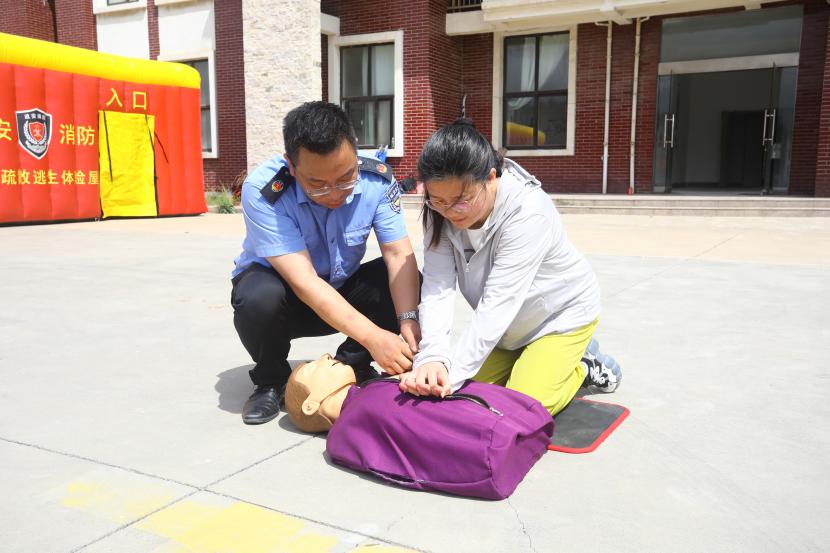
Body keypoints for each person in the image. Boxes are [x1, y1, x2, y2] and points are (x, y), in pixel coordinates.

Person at [399, 119, 621, 416]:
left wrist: (449, 375)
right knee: (463, 400)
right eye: (437, 201)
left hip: (557, 318)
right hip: (507, 330)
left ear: (490, 178)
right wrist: (432, 358)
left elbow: (498, 304)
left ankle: (583, 366)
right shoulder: (437, 212)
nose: (449, 212)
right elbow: (438, 286)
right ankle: (532, 361)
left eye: (460, 201)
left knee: (521, 408)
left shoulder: (529, 212)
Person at [231, 101, 421, 425]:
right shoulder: (264, 192)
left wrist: (408, 321)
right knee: (258, 297)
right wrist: (375, 337)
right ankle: (271, 381)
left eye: (346, 177)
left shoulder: (376, 180)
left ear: (355, 151)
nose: (335, 193)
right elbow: (304, 281)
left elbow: (397, 254)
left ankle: (350, 367)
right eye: (317, 184)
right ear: (291, 166)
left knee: (405, 277)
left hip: (340, 288)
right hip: (286, 300)